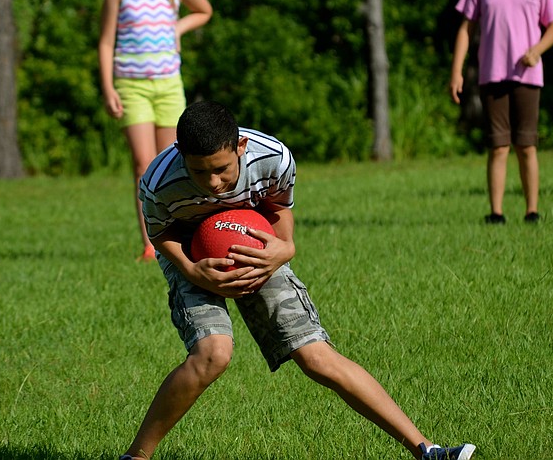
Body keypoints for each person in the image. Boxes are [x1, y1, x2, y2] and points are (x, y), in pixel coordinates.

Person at [118, 100, 476, 460]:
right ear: (181, 154)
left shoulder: (273, 158)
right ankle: (136, 457)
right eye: (199, 171)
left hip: (257, 246)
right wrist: (192, 270)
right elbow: (160, 234)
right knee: (213, 354)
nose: (213, 182)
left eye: (222, 169)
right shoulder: (158, 181)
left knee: (316, 355)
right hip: (191, 256)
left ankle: (426, 450)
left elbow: (277, 207)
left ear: (240, 146)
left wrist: (284, 249)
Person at [98, 0, 213, 262]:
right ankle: (151, 243)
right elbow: (106, 42)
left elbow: (204, 10)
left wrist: (178, 28)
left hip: (168, 86)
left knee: (173, 164)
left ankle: (178, 237)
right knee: (143, 165)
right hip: (132, 87)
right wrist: (108, 88)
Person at [448, 0, 553, 224]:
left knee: (526, 144)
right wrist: (457, 71)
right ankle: (496, 212)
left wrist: (537, 50)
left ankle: (531, 210)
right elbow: (466, 29)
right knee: (498, 146)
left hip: (527, 76)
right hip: (492, 74)